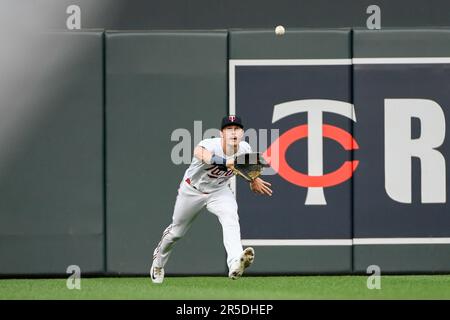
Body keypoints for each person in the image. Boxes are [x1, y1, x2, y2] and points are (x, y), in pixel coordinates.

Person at [150, 115, 273, 284]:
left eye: (237, 129)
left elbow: (245, 168)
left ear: (243, 132)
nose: (233, 132)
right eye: (229, 129)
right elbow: (199, 153)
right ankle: (158, 263)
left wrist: (253, 179)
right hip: (192, 190)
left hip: (219, 191)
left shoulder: (245, 149)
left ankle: (235, 262)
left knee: (230, 216)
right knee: (176, 233)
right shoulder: (211, 144)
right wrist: (225, 161)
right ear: (221, 134)